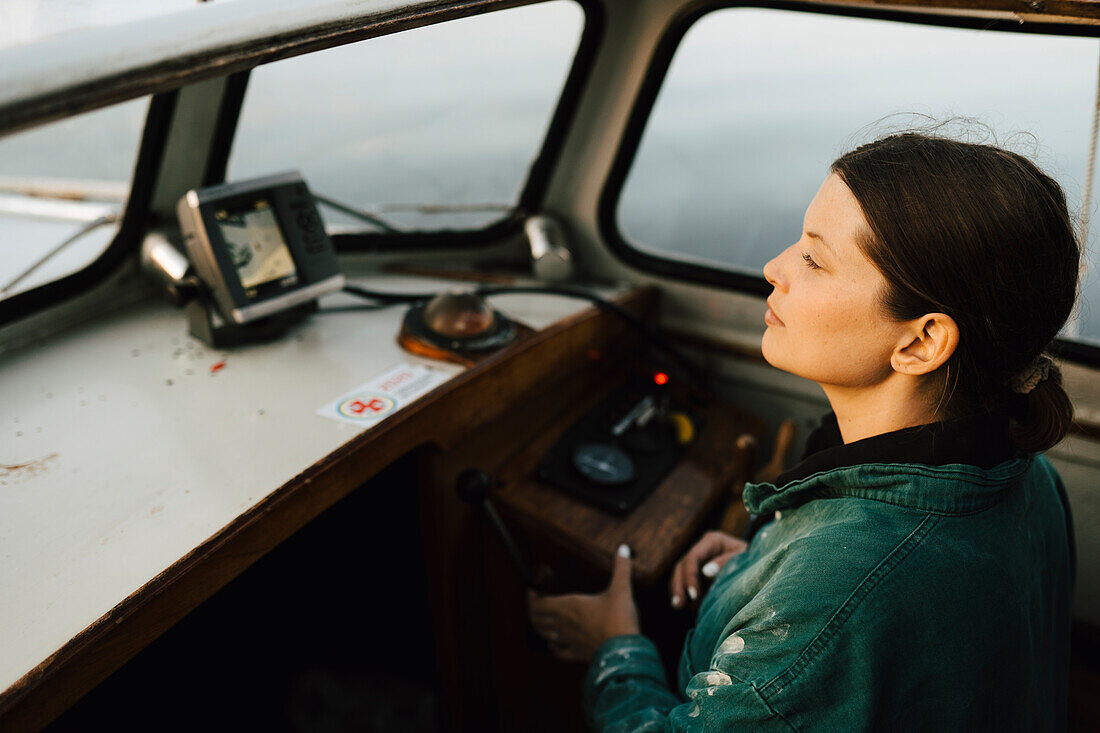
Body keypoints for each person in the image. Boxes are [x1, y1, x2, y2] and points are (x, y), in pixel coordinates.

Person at [527, 131, 1079, 731]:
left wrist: (617, 648)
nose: (775, 267)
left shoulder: (834, 601)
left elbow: (854, 604)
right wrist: (756, 570)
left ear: (920, 342)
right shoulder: (1025, 474)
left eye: (815, 258)